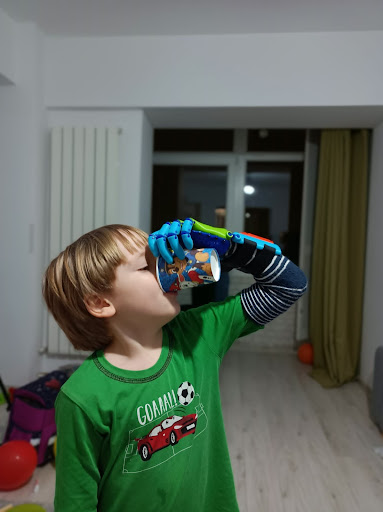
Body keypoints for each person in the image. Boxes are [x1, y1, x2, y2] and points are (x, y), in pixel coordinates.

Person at [42, 218, 307, 512]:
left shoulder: (199, 333)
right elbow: (75, 503)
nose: (169, 269)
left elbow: (289, 285)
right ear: (101, 303)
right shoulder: (82, 397)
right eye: (147, 267)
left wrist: (229, 249)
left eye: (163, 260)